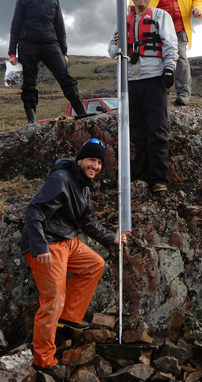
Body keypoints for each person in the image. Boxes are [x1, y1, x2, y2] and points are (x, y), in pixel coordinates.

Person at [21, 138, 129, 370]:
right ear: (80, 159)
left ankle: (68, 318)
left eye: (100, 162)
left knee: (94, 263)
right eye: (91, 159)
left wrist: (112, 238)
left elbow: (87, 220)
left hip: (66, 241)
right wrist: (40, 248)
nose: (96, 166)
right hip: (48, 244)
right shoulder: (60, 179)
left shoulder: (82, 184)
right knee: (53, 301)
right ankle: (44, 360)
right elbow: (34, 210)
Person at [108, 0, 178, 193]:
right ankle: (140, 176)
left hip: (154, 78)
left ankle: (159, 180)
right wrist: (118, 43)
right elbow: (111, 50)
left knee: (157, 129)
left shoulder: (160, 16)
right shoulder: (123, 20)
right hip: (130, 82)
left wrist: (169, 69)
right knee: (137, 132)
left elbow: (170, 43)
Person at [8, 0, 87, 124]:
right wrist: (12, 53)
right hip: (28, 45)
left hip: (51, 44)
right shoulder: (23, 0)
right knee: (29, 83)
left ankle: (82, 113)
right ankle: (32, 121)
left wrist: (64, 52)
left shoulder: (53, 0)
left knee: (65, 78)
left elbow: (60, 27)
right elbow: (15, 27)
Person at [131, 0, 202, 107]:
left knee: (181, 59)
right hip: (156, 26)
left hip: (179, 25)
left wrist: (197, 8)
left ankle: (183, 95)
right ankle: (160, 95)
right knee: (157, 59)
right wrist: (133, 7)